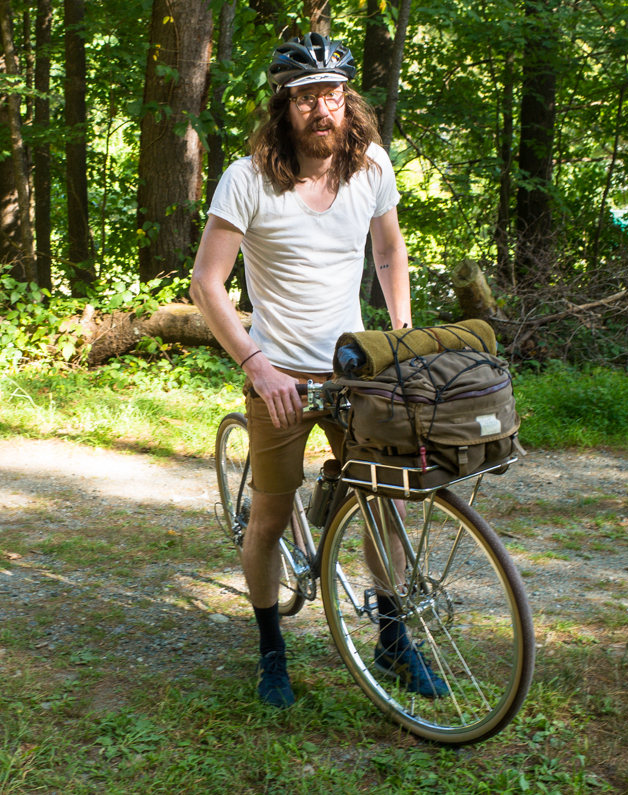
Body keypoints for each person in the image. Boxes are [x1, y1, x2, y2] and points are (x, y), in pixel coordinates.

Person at [190, 32, 449, 708]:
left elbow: (389, 250)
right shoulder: (247, 179)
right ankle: (271, 649)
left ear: (347, 100)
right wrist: (257, 364)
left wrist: (400, 334)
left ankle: (393, 639)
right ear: (284, 105)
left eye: (332, 93)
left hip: (353, 370)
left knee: (386, 503)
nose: (321, 108)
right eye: (305, 96)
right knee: (270, 516)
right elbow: (207, 283)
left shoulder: (372, 166)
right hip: (279, 376)